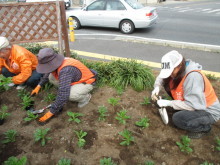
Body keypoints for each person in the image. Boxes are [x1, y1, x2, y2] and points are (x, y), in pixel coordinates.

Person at [151, 50, 220, 139]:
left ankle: (204, 129)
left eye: (171, 71)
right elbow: (162, 77)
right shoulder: (177, 69)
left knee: (178, 119)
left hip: (207, 110)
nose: (170, 74)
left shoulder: (193, 77)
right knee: (168, 83)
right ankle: (182, 107)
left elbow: (194, 105)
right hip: (194, 102)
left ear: (179, 65)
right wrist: (157, 87)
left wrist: (169, 103)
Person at [32, 48, 97, 123]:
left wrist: (51, 112)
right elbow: (48, 71)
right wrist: (39, 85)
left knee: (70, 95)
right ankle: (66, 87)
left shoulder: (65, 70)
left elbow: (64, 94)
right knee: (51, 77)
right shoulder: (57, 62)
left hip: (87, 82)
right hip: (74, 79)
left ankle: (85, 98)